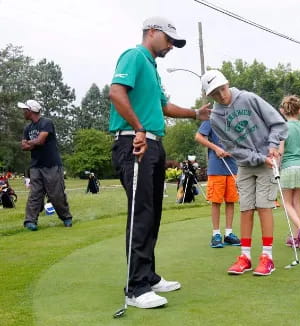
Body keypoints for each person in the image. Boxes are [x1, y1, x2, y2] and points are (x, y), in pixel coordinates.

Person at [109, 16, 211, 309]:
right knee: (141, 213)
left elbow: (164, 106)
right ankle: (136, 288)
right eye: (168, 39)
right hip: (135, 142)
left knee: (152, 214)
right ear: (151, 32)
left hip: (152, 143)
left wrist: (195, 113)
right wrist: (139, 128)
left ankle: (148, 276)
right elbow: (116, 92)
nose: (170, 46)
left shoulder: (152, 69)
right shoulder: (134, 56)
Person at [201, 69, 287, 276]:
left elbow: (277, 123)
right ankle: (245, 257)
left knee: (264, 206)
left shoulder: (248, 98)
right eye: (215, 93)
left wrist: (273, 146)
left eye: (222, 89)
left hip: (268, 158)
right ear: (209, 96)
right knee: (246, 208)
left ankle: (267, 257)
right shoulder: (215, 119)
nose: (221, 96)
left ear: (227, 83)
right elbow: (233, 148)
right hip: (247, 163)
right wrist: (257, 158)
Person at [19, 99, 73, 231]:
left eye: (25, 110)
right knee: (35, 194)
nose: (23, 112)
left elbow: (41, 140)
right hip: (36, 166)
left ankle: (66, 217)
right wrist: (34, 142)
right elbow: (23, 146)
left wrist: (30, 143)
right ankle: (30, 221)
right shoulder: (27, 128)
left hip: (52, 165)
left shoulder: (46, 123)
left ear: (31, 111)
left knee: (56, 194)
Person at [195, 121, 241, 248]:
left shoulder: (235, 119)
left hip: (233, 167)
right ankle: (216, 234)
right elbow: (198, 137)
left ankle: (228, 234)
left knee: (231, 201)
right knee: (216, 201)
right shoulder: (211, 119)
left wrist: (233, 152)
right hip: (216, 167)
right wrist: (216, 148)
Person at [278, 95, 300, 250]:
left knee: (286, 203)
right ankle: (295, 238)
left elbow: (280, 151)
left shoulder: (282, 127)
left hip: (288, 167)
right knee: (297, 202)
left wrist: (276, 168)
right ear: (299, 110)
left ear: (283, 111)